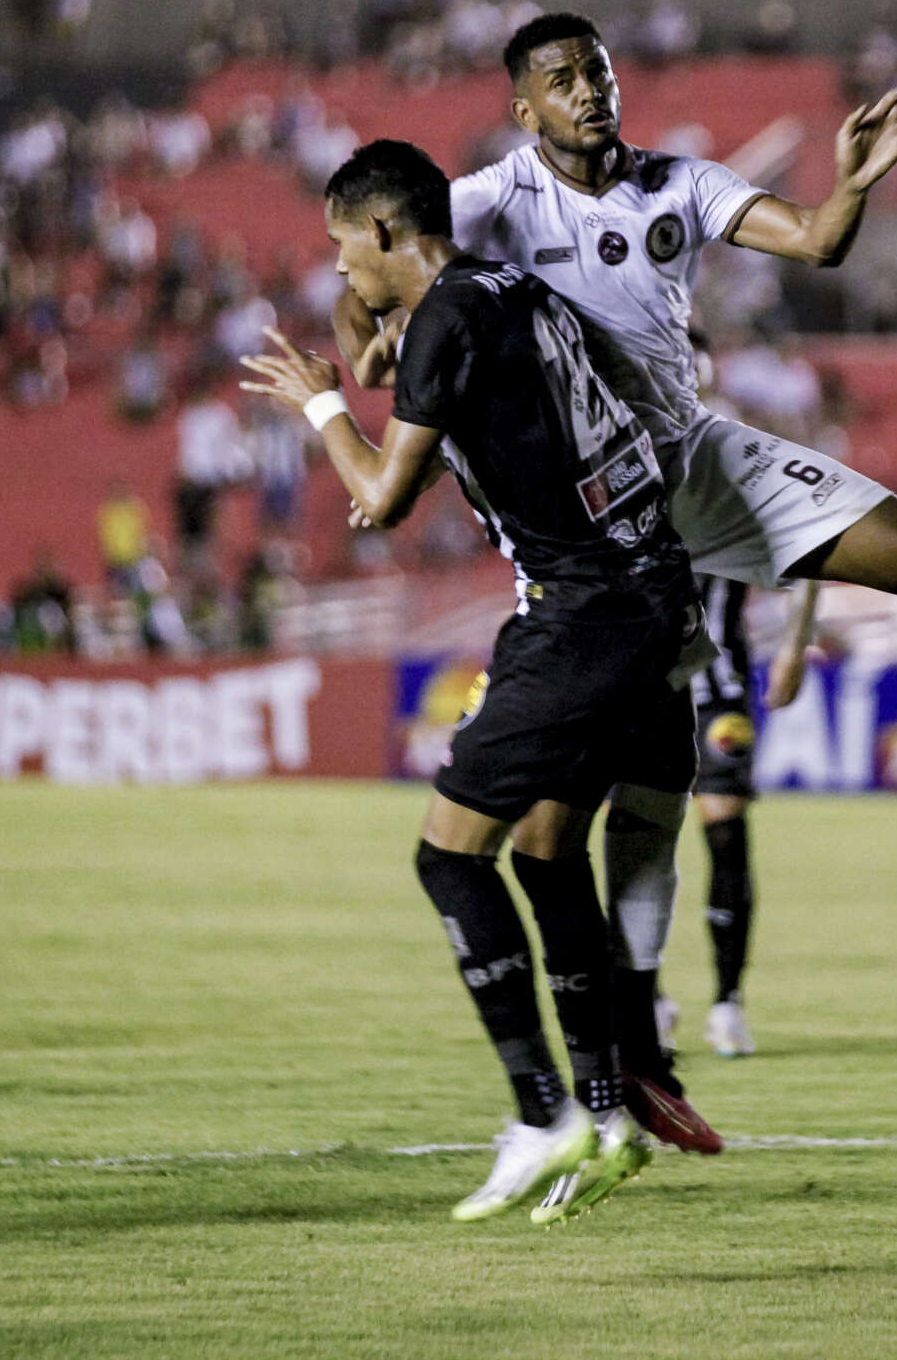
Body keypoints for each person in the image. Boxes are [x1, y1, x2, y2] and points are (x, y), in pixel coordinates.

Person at [336, 14, 897, 1088]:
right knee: (628, 800)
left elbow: (818, 239)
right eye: (562, 79)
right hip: (594, 522)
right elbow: (370, 263)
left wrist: (853, 182)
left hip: (692, 464)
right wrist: (368, 349)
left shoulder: (681, 186)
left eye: (596, 70)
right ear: (525, 110)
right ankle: (640, 1046)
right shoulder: (492, 202)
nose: (589, 89)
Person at [242, 140, 693, 1226]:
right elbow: (414, 381)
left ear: (391, 233)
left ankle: (543, 1113)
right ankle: (608, 1109)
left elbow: (383, 499)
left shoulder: (447, 313)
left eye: (346, 250)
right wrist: (361, 368)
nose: (341, 272)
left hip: (583, 612)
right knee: (543, 845)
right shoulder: (510, 292)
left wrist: (316, 409)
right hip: (643, 600)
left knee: (448, 857)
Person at [659, 574, 816, 1060]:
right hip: (632, 688)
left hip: (719, 687)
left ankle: (728, 1003)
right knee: (636, 842)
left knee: (726, 835)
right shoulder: (614, 500)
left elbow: (805, 563)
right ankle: (649, 1000)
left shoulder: (728, 498)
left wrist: (796, 647)